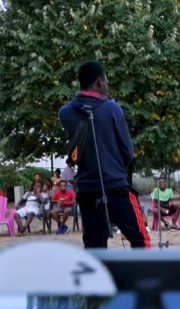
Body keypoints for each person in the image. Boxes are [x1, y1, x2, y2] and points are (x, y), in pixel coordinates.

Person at [59, 61, 150, 248]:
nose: (107, 85)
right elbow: (128, 152)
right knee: (140, 238)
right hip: (114, 184)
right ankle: (141, 277)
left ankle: (98, 277)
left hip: (85, 188)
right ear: (99, 82)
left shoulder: (65, 112)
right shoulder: (113, 108)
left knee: (94, 246)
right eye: (106, 80)